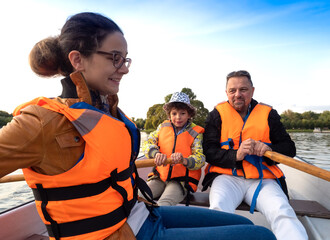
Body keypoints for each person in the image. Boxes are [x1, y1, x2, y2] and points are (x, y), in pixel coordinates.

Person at [0, 13, 277, 240]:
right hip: (120, 234)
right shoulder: (40, 122)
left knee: (250, 228)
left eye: (126, 59)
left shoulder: (107, 112)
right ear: (77, 60)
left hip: (141, 214)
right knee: (261, 237)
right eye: (115, 58)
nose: (125, 68)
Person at [202, 70, 308, 240]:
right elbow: (209, 151)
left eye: (243, 89)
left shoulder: (269, 114)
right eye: (232, 90)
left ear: (252, 91)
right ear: (227, 93)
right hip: (227, 177)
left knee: (282, 210)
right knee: (218, 210)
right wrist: (236, 155)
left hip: (263, 180)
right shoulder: (216, 115)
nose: (238, 94)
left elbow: (289, 149)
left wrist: (269, 148)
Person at [141, 92, 205, 206]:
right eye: (174, 113)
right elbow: (147, 143)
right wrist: (155, 154)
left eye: (182, 113)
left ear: (189, 114)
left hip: (180, 181)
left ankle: (156, 221)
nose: (178, 117)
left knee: (163, 205)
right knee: (137, 196)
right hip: (159, 177)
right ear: (169, 114)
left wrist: (184, 160)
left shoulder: (196, 133)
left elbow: (200, 159)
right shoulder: (162, 127)